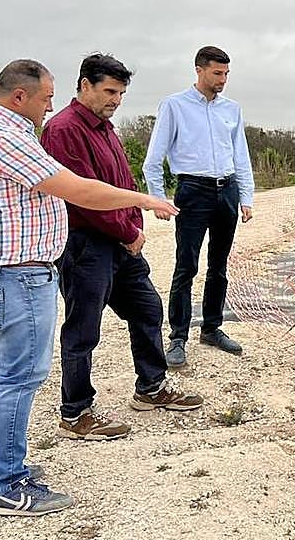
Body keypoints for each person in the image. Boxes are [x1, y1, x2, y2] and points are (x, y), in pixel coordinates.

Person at [0, 60, 179, 517]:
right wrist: (144, 199)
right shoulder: (8, 137)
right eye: (46, 97)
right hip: (17, 273)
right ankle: (9, 485)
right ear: (19, 97)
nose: (50, 105)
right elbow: (79, 191)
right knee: (20, 376)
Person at [41, 54, 204, 442]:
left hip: (119, 240)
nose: (116, 99)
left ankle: (151, 387)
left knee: (147, 308)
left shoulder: (106, 128)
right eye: (109, 91)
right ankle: (75, 412)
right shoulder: (63, 130)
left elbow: (121, 183)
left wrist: (133, 223)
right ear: (84, 86)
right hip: (86, 243)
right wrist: (126, 230)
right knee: (83, 328)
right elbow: (81, 196)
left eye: (121, 93)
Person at [144, 46, 255, 368]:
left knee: (219, 266)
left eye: (226, 74)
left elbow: (241, 156)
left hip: (227, 190)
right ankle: (178, 336)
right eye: (217, 73)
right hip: (193, 190)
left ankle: (212, 327)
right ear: (199, 70)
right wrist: (159, 199)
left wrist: (246, 197)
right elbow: (153, 159)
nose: (222, 80)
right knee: (186, 266)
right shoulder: (175, 106)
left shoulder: (231, 109)